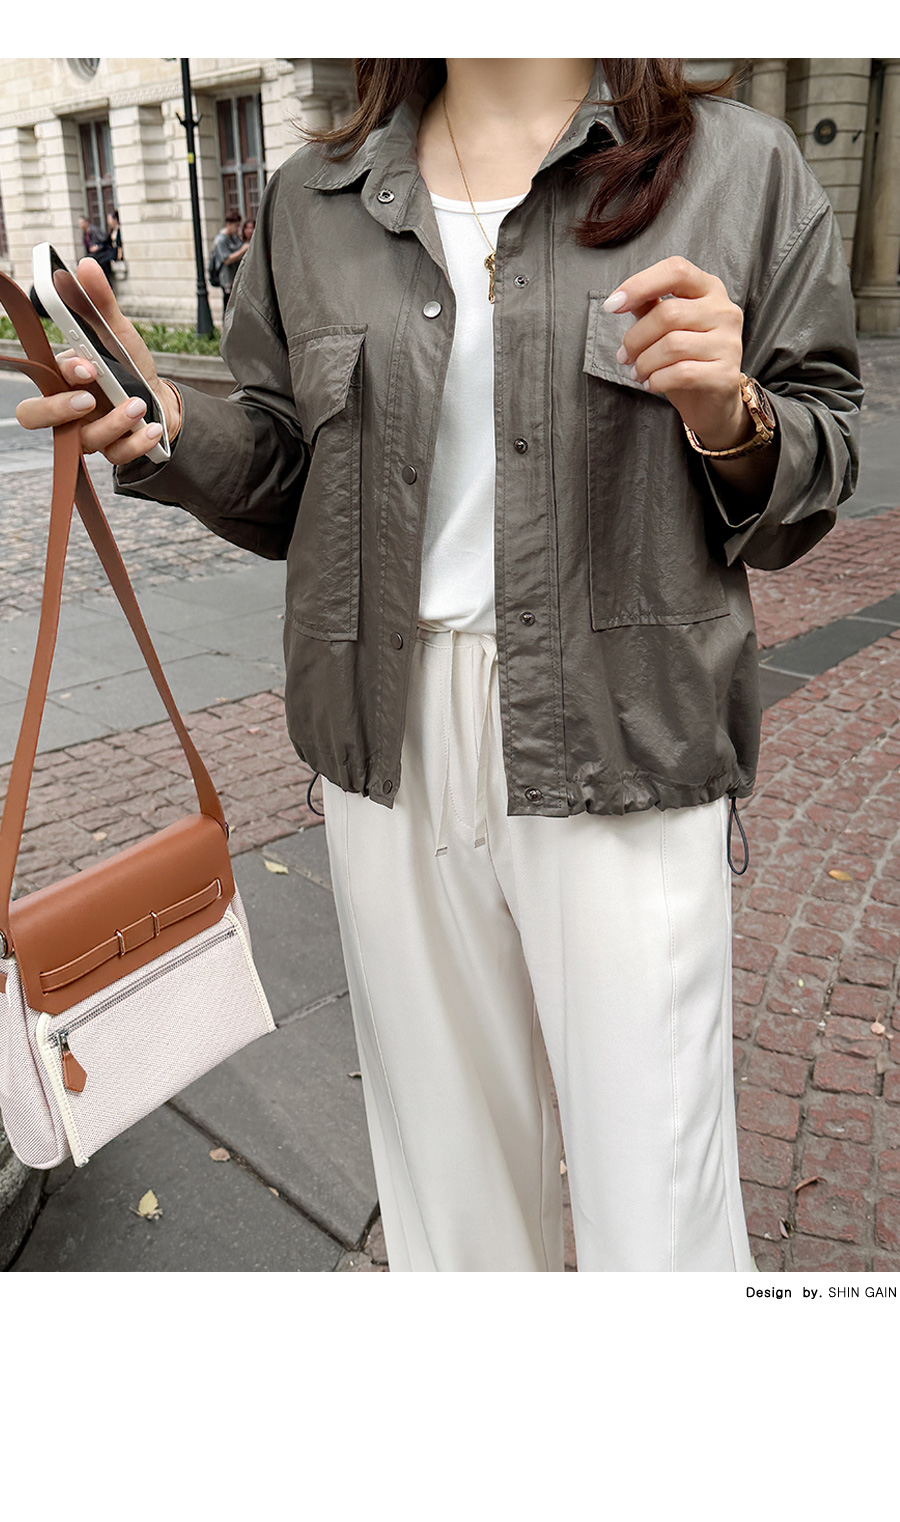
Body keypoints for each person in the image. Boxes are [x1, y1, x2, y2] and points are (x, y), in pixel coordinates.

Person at [17, 59, 862, 1272]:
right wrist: (172, 426)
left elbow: (820, 452)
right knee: (448, 1200)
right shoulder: (316, 197)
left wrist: (735, 413)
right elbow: (287, 463)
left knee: (659, 1200)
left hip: (625, 728)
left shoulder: (737, 167)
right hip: (390, 739)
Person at [210, 211, 249, 313]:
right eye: (236, 226)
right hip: (226, 279)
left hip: (235, 277)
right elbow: (226, 260)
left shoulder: (234, 237)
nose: (237, 229)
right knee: (228, 307)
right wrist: (242, 250)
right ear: (228, 225)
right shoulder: (220, 240)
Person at [78, 213, 115, 285]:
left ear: (86, 222)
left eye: (81, 223)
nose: (80, 225)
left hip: (102, 254)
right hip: (93, 254)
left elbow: (105, 242)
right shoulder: (85, 233)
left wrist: (97, 247)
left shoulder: (94, 230)